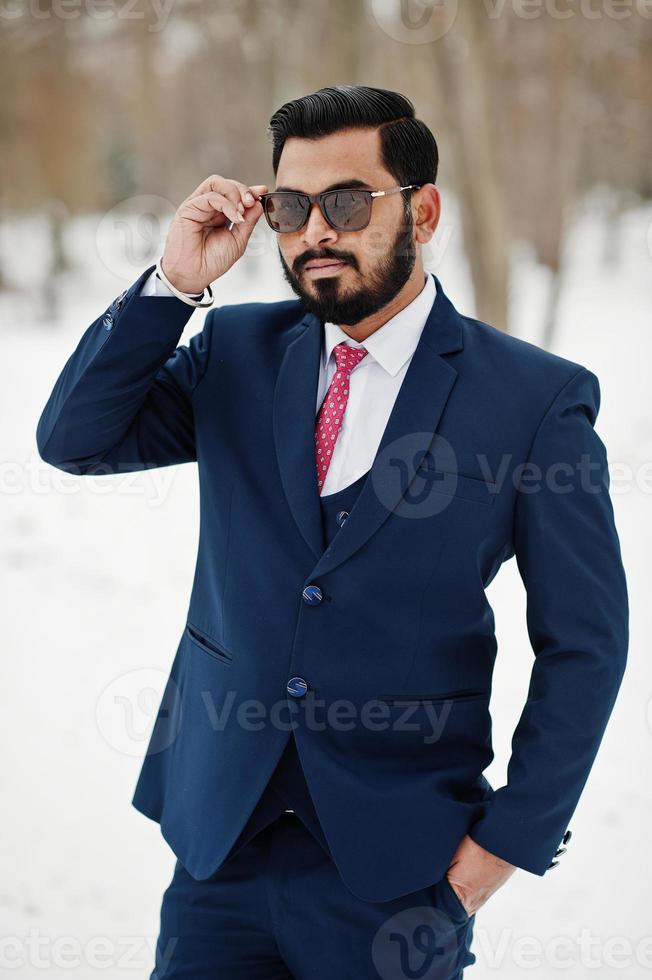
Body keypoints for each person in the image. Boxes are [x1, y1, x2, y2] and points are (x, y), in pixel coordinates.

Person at [36, 85, 628, 979]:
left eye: (348, 203)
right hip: (220, 852)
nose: (316, 230)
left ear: (422, 211)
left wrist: (505, 846)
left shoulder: (534, 400)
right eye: (289, 206)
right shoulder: (234, 354)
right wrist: (173, 286)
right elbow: (73, 440)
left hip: (400, 877)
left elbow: (586, 642)